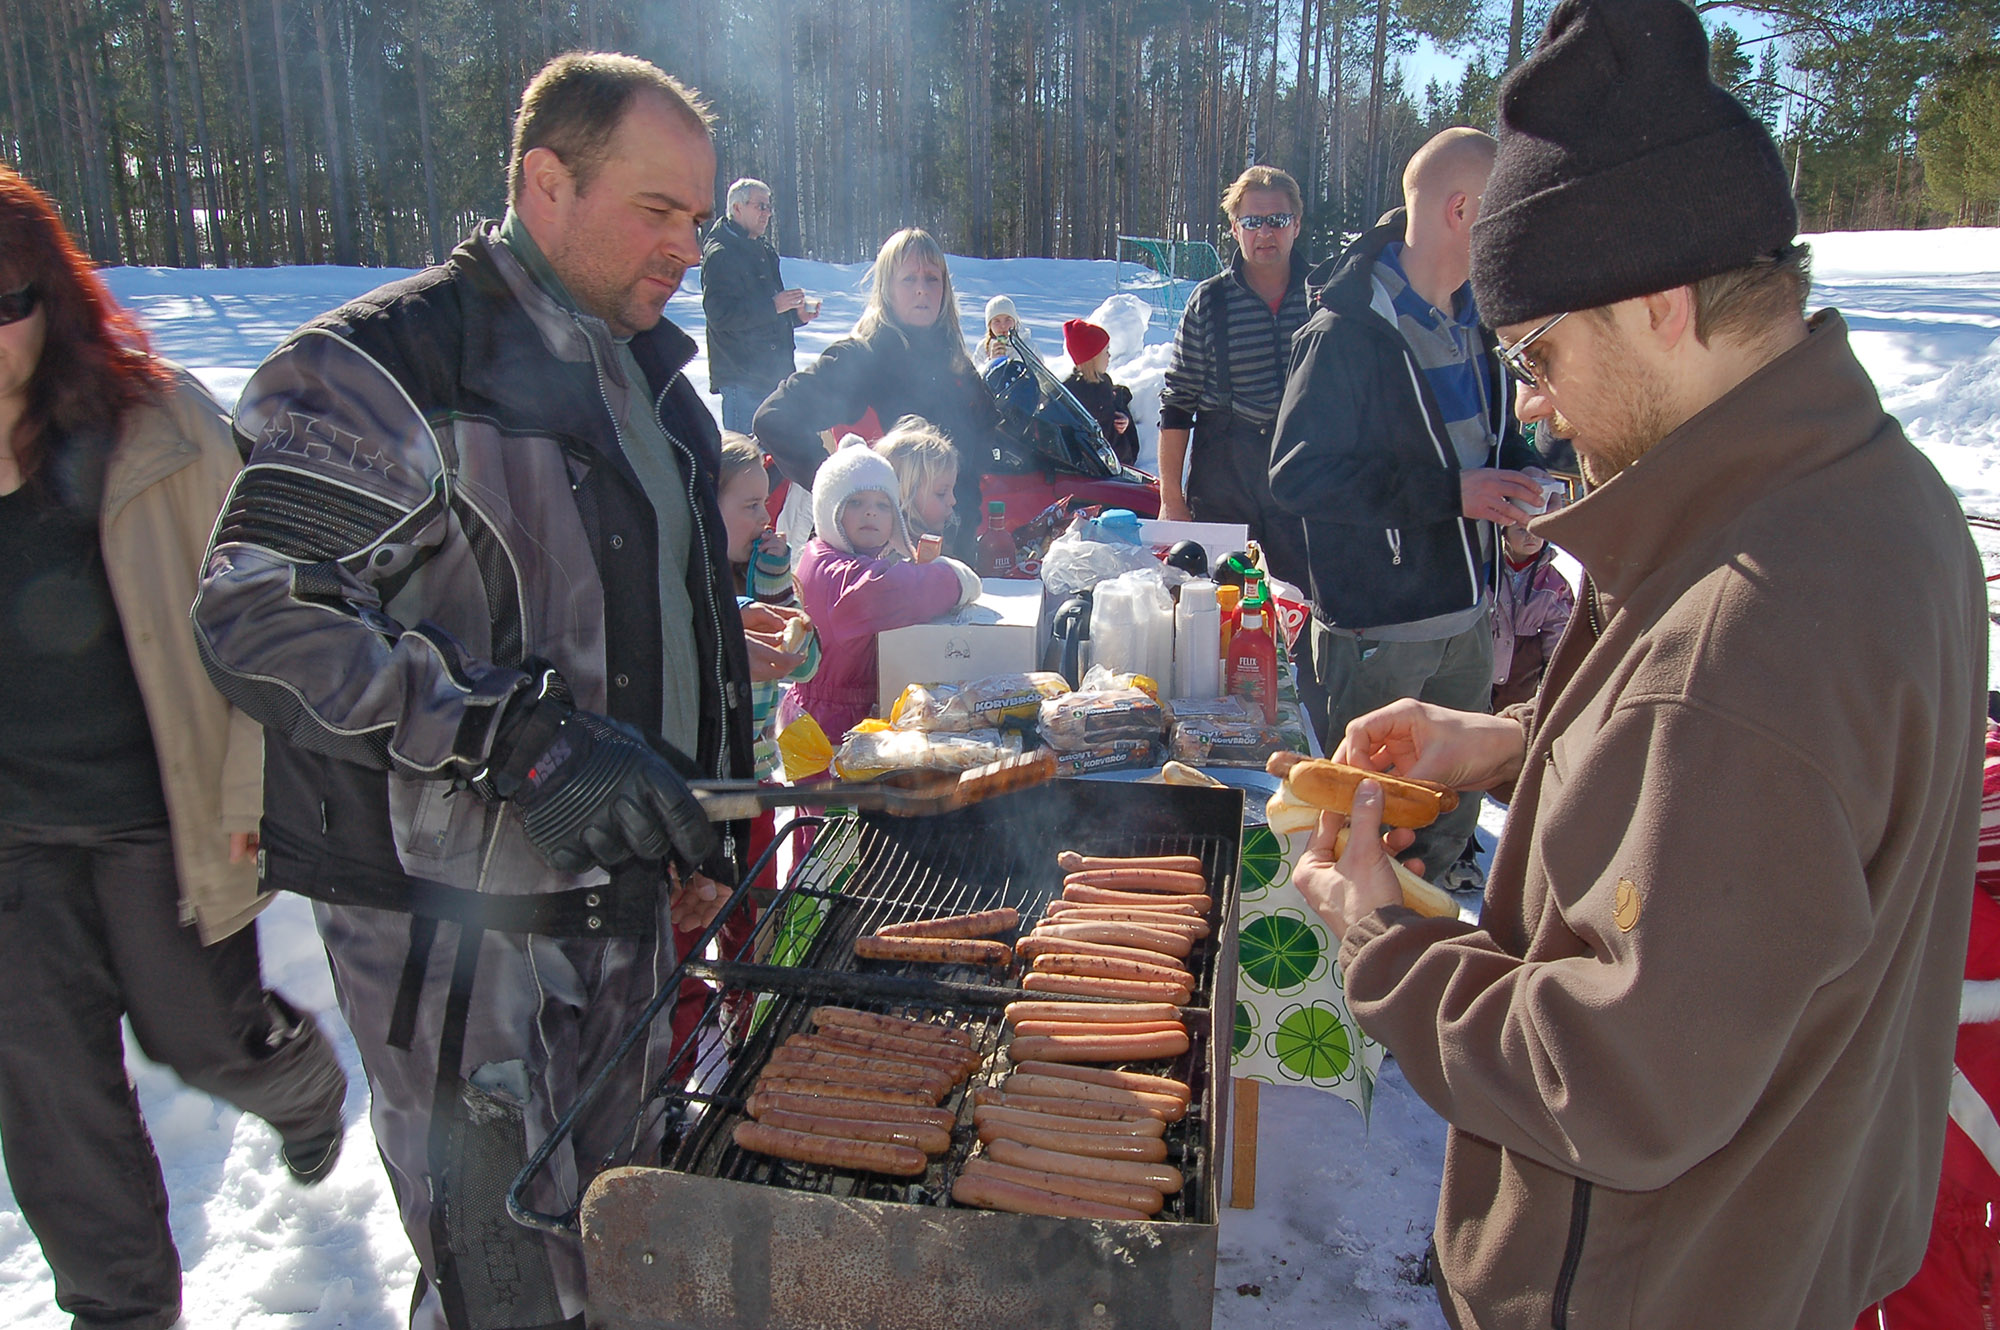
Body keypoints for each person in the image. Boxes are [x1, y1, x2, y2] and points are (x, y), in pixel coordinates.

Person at [1289, 4, 1984, 1327]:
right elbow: (1731, 772)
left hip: (1659, 1283)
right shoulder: (1869, 495)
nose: (1533, 401)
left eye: (1541, 354)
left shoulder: (1752, 627)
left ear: (1658, 302)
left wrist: (1380, 939)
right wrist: (1503, 740)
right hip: (1783, 1242)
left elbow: (1607, 1074)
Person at [193, 53, 753, 1330]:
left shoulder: (655, 386)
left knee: (623, 1237)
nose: (686, 246)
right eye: (655, 211)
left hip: (621, 897)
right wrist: (520, 738)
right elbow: (259, 608)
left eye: (699, 219)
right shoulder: (383, 369)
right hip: (458, 937)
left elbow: (671, 616)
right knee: (500, 1279)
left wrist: (702, 809)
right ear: (544, 181)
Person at [0, 165, 347, 1330]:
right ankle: (121, 1311)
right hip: (10, 841)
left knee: (198, 1031)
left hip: (161, 804)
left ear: (48, 295)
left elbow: (274, 598)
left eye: (3, 296)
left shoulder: (154, 427)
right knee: (50, 1101)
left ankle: (294, 1086)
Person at [1269, 129, 1545, 889]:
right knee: (1370, 828)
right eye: (1504, 213)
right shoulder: (1345, 332)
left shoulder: (1475, 323)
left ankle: (1440, 915)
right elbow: (1297, 476)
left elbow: (1493, 441)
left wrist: (1518, 488)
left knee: (1447, 814)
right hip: (1380, 628)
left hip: (1466, 610)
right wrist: (1450, 497)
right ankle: (1362, 972)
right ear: (1461, 210)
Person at [755, 228, 1003, 561]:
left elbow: (986, 442)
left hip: (952, 552)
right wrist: (840, 489)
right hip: (876, 564)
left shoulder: (954, 361)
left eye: (932, 278)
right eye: (908, 279)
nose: (921, 289)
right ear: (886, 288)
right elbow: (774, 419)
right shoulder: (863, 358)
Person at [1155, 165, 1312, 591]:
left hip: (1303, 488)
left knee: (1298, 619)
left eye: (1277, 220)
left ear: (1296, 225)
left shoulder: (1323, 297)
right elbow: (1177, 404)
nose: (1265, 233)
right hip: (1225, 487)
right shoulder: (1209, 302)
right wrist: (1172, 499)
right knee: (1219, 620)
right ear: (1234, 227)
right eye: (1252, 221)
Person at [781, 443, 981, 743]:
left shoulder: (828, 556)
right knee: (833, 792)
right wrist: (955, 578)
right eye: (856, 502)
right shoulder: (840, 578)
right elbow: (898, 590)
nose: (871, 511)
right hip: (827, 727)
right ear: (827, 508)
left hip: (829, 715)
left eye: (883, 504)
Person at [701, 176, 817, 431]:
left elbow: (768, 310)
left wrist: (796, 316)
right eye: (760, 206)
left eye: (769, 206)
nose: (767, 213)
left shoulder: (761, 248)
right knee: (745, 462)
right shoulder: (721, 253)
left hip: (774, 376)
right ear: (737, 208)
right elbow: (719, 316)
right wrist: (774, 306)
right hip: (742, 379)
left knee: (775, 465)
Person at [1489, 515, 1573, 711]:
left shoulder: (1553, 583)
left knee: (1510, 717)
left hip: (1522, 669)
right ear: (1504, 533)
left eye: (1536, 529)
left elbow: (1559, 630)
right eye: (1520, 529)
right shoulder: (1488, 571)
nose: (1530, 536)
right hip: (1482, 660)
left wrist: (1556, 672)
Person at [1062, 317, 1139, 466]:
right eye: (1106, 351)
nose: (1109, 356)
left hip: (1117, 462)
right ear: (1092, 357)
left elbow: (1112, 416)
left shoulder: (1105, 382)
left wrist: (1123, 421)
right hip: (1094, 468)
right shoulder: (1071, 393)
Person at [875, 414, 962, 545]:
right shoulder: (898, 557)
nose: (953, 501)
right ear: (904, 494)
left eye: (952, 490)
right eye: (941, 493)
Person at [979, 294, 1023, 363]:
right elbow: (974, 372)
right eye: (997, 321)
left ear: (1014, 322)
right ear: (990, 325)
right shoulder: (982, 348)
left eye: (1008, 320)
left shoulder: (1026, 346)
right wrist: (992, 361)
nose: (1003, 326)